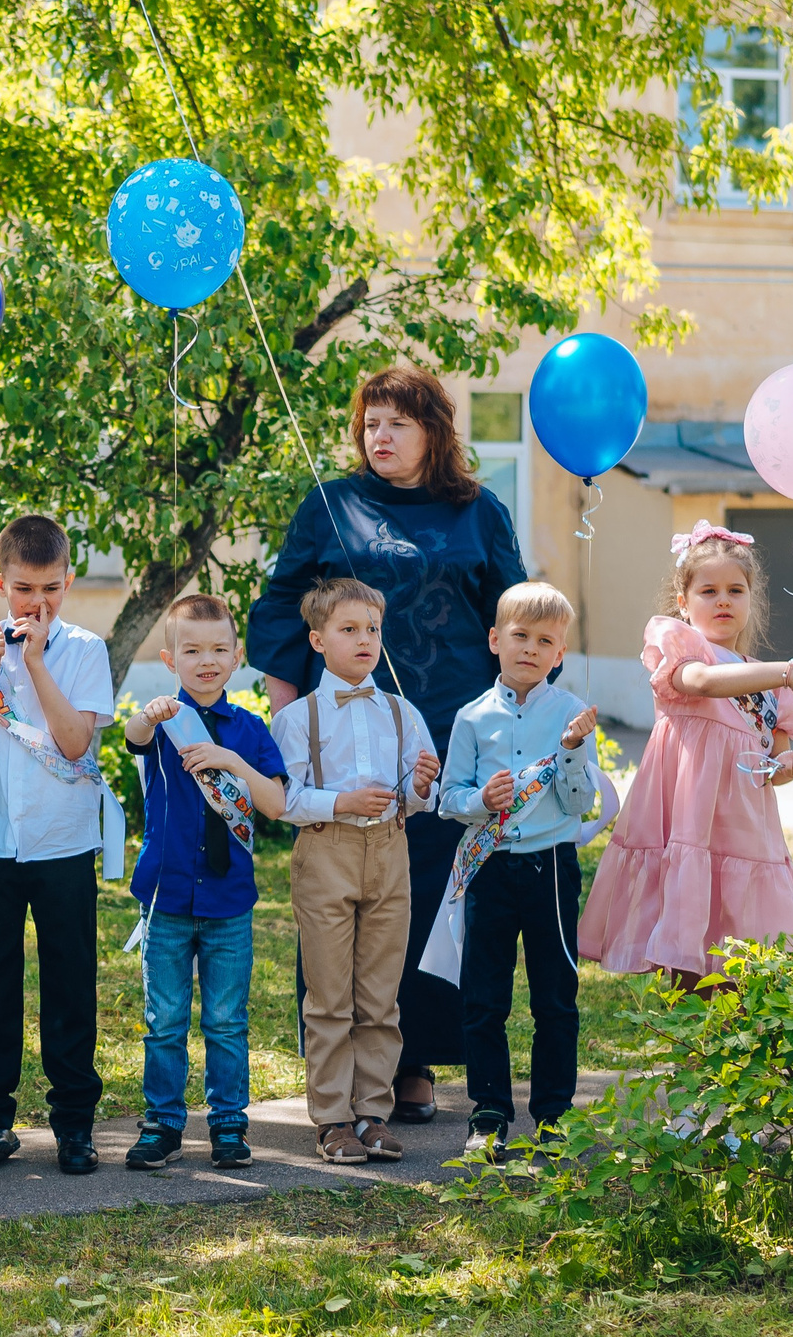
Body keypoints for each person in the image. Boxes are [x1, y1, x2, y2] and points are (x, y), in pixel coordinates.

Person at [246, 365, 524, 1124]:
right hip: (349, 736)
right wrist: (291, 714)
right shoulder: (331, 505)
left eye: (397, 422)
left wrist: (511, 722)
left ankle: (414, 1060)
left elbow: (514, 611)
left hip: (450, 739)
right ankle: (343, 1071)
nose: (381, 435)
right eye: (371, 421)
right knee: (347, 897)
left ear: (434, 429)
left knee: (427, 900)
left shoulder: (479, 510)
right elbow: (280, 602)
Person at [579, 522, 793, 988]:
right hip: (690, 824)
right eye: (708, 590)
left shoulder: (765, 680)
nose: (722, 600)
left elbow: (773, 761)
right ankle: (694, 1048)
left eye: (736, 590)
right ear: (683, 602)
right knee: (691, 949)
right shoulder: (686, 654)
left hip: (745, 832)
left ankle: (730, 1050)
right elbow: (701, 684)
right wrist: (790, 671)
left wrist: (791, 765)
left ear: (751, 600)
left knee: (743, 954)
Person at [0, 515, 117, 1178]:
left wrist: (36, 661)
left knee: (70, 982)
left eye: (50, 588)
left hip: (63, 842)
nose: (37, 603)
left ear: (69, 581)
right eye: (23, 588)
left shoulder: (84, 649)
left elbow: (75, 740)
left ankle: (74, 1122)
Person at [427, 582, 603, 1160]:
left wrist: (575, 750)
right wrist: (482, 798)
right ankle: (489, 1113)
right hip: (490, 868)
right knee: (485, 998)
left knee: (555, 996)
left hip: (552, 868)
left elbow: (580, 805)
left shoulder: (572, 714)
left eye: (544, 640)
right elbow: (447, 799)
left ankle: (553, 1116)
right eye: (519, 636)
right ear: (494, 639)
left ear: (560, 654)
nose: (530, 648)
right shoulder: (472, 717)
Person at [269, 578, 440, 1165]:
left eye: (372, 629)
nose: (365, 640)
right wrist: (341, 802)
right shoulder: (296, 719)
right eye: (349, 629)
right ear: (317, 640)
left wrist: (420, 786)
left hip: (390, 855)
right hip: (326, 854)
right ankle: (332, 1119)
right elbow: (283, 800)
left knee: (380, 993)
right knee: (329, 994)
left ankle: (372, 1112)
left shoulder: (401, 710)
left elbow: (420, 795)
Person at [116, 595, 287, 1172]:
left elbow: (276, 801)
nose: (206, 661)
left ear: (237, 656)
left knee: (225, 1018)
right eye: (192, 650)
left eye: (219, 649)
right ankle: (162, 1124)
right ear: (171, 658)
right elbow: (132, 737)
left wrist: (231, 761)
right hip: (165, 895)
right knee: (163, 1018)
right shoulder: (164, 718)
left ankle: (229, 1126)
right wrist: (151, 713)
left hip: (229, 899)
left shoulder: (250, 729)